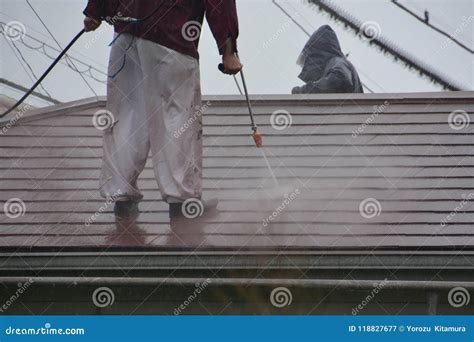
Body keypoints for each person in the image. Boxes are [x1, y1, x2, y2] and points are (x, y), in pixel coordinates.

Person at [83, 0, 242, 218]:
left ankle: (121, 197)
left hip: (126, 31)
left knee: (127, 116)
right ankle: (182, 203)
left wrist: (95, 10)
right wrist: (228, 50)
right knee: (177, 116)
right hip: (171, 33)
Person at [292, 25, 363, 94]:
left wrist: (304, 91)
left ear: (318, 53)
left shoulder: (338, 62)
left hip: (348, 106)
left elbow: (335, 81)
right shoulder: (338, 63)